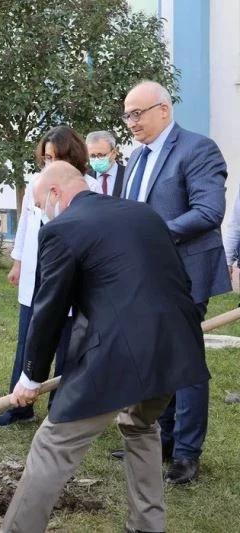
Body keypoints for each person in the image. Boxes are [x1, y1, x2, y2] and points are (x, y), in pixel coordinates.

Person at [1, 161, 209, 533]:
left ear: (55, 193)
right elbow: (176, 277)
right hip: (176, 344)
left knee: (53, 445)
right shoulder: (142, 213)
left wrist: (31, 376)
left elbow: (48, 309)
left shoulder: (62, 229)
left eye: (37, 204)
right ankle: (147, 526)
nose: (40, 213)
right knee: (141, 425)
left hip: (119, 353)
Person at [114, 81, 230, 484]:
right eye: (127, 115)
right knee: (155, 358)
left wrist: (154, 234)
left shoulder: (197, 149)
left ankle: (186, 453)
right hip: (145, 278)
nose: (131, 122)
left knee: (185, 362)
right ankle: (159, 438)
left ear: (163, 109)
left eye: (138, 113)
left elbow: (209, 210)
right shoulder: (135, 157)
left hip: (185, 275)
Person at [0, 125, 98, 426]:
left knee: (67, 345)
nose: (49, 164)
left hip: (69, 274)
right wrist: (17, 263)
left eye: (56, 157)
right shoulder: (36, 182)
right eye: (46, 158)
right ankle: (20, 406)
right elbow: (27, 225)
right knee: (29, 338)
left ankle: (60, 409)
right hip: (37, 268)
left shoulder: (87, 187)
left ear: (72, 157)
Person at [85, 130, 125, 197]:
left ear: (114, 153)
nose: (97, 159)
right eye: (92, 156)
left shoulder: (128, 174)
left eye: (101, 155)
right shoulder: (85, 178)